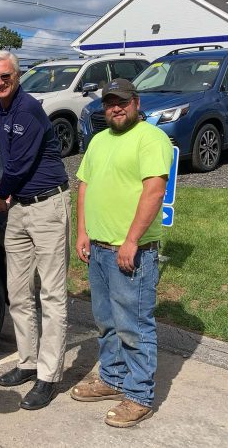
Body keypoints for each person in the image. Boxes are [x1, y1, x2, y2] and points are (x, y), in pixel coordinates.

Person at [72, 78, 172, 428]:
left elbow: (154, 193)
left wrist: (130, 240)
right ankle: (112, 379)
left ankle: (139, 394)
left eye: (122, 101)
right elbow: (85, 186)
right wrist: (82, 231)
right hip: (98, 249)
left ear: (136, 102)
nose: (116, 107)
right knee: (106, 322)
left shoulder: (151, 139)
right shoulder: (99, 141)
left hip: (132, 251)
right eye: (110, 102)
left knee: (134, 326)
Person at [0, 50, 70, 410]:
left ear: (17, 75)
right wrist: (7, 196)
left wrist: (0, 194)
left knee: (51, 294)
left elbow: (18, 165)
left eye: (6, 76)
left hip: (48, 206)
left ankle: (48, 376)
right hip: (19, 208)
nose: (0, 83)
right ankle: (28, 361)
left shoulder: (28, 109)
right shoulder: (0, 110)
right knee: (18, 292)